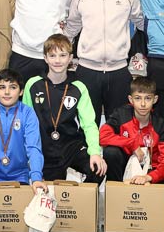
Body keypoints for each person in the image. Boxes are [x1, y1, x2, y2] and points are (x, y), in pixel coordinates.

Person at [64, 0, 144, 122]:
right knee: (87, 124)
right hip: (87, 71)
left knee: (119, 125)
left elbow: (143, 25)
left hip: (119, 71)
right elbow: (70, 31)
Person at [22, 34, 106, 183]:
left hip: (71, 147)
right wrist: (29, 153)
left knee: (98, 168)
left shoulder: (78, 87)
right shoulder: (33, 85)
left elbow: (89, 124)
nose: (57, 60)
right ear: (45, 58)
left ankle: (80, 198)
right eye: (52, 55)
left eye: (62, 55)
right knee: (53, 190)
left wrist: (95, 152)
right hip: (44, 149)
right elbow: (25, 123)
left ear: (70, 58)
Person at [99, 77, 164, 207]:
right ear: (131, 100)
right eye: (137, 98)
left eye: (147, 98)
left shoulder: (161, 124)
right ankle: (116, 196)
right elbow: (103, 136)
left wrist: (149, 177)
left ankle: (146, 206)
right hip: (125, 169)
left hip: (150, 170)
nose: (143, 104)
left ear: (155, 99)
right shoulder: (121, 115)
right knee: (111, 152)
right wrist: (131, 144)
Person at [0, 69, 47, 193]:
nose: (7, 92)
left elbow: (33, 147)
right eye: (2, 87)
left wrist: (36, 178)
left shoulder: (28, 113)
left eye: (13, 87)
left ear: (21, 92)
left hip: (20, 176)